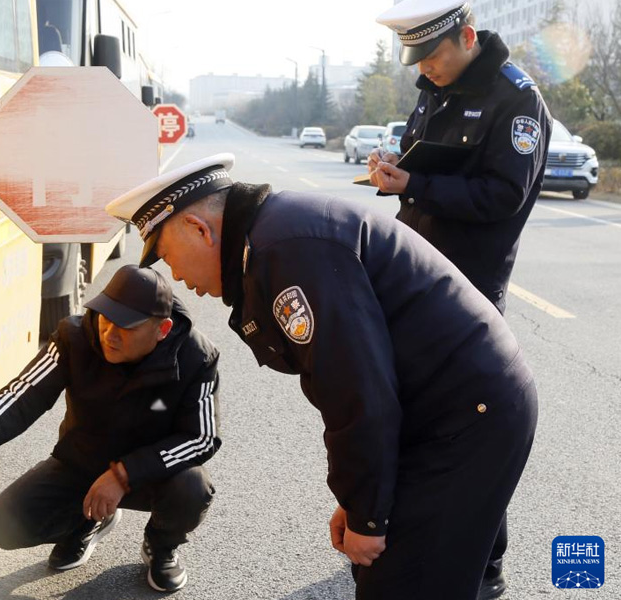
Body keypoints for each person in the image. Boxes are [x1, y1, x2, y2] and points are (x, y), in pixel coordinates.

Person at [104, 153, 537, 600]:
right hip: (437, 408)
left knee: (406, 583)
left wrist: (367, 516)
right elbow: (354, 386)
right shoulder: (272, 239)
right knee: (392, 575)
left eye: (168, 257)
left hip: (467, 415)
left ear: (199, 228)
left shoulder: (287, 250)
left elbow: (356, 393)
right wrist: (360, 502)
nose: (175, 275)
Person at [0, 265, 220, 593]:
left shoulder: (197, 357)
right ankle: (88, 521)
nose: (110, 333)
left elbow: (202, 437)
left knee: (192, 486)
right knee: (3, 525)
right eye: (107, 318)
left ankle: (161, 546)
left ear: (162, 329)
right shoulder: (74, 337)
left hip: (154, 475)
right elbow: (21, 395)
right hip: (84, 463)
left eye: (126, 326)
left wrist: (123, 475)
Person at [370, 2, 552, 596]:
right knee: (416, 416)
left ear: (467, 36)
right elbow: (421, 159)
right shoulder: (435, 89)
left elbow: (502, 196)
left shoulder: (516, 99)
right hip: (414, 275)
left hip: (469, 288)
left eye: (433, 55)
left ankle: (486, 564)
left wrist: (418, 184)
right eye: (417, 59)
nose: (425, 69)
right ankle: (418, 533)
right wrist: (394, 169)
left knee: (474, 427)